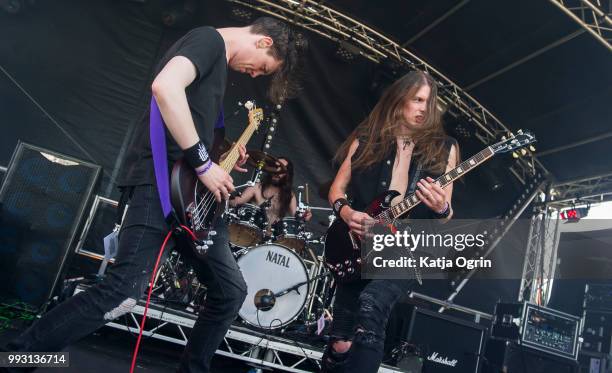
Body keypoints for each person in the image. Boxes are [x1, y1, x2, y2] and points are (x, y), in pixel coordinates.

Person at [3, 17, 307, 373]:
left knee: (229, 292)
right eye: (263, 70)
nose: (256, 75)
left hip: (194, 203)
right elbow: (165, 87)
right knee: (121, 292)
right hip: (161, 187)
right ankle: (16, 358)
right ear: (264, 42)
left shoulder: (217, 67)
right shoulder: (208, 40)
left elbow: (185, 121)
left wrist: (219, 148)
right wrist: (205, 163)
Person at [323, 70, 459, 372]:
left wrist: (440, 208)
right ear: (398, 100)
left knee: (372, 304)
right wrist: (348, 214)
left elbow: (446, 216)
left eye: (429, 102)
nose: (424, 108)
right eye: (417, 100)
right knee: (341, 342)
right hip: (358, 246)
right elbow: (337, 189)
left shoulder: (444, 148)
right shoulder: (367, 139)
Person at [230, 157, 312, 225]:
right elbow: (237, 201)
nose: (277, 171)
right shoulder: (257, 187)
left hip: (270, 238)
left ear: (287, 174)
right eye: (275, 167)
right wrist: (227, 195)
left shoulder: (289, 194)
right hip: (249, 230)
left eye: (282, 169)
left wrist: (304, 216)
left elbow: (296, 217)